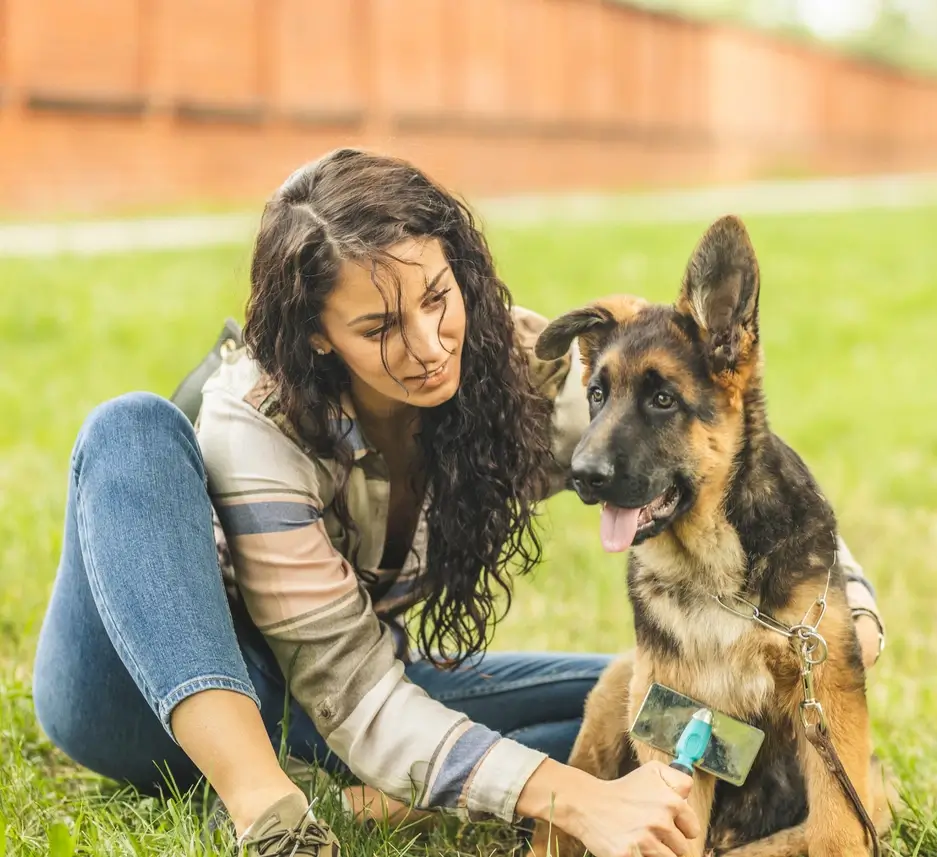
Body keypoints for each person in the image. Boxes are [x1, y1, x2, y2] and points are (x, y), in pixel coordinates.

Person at [31, 148, 886, 857]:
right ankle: (265, 806)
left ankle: (376, 798)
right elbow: (358, 694)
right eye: (379, 328)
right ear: (317, 335)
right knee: (132, 428)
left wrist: (839, 606)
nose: (429, 346)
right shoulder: (256, 414)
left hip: (329, 714)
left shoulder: (491, 371)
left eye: (438, 298)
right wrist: (577, 803)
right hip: (148, 698)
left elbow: (718, 458)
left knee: (644, 704)